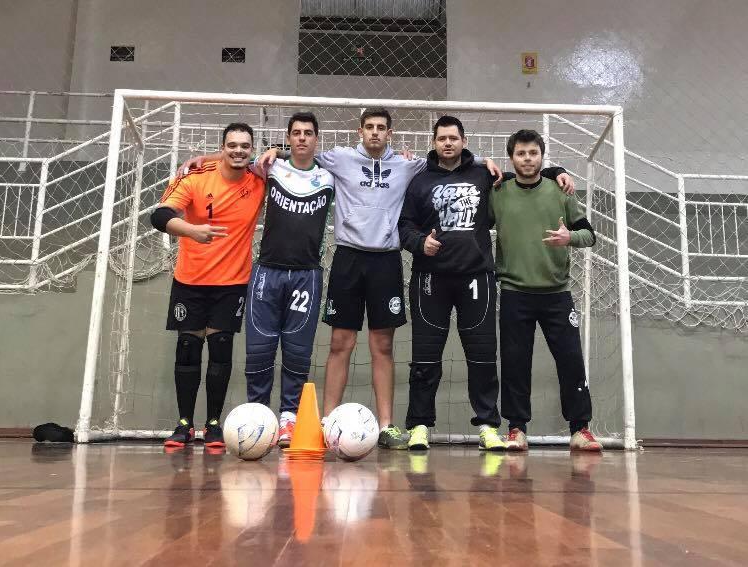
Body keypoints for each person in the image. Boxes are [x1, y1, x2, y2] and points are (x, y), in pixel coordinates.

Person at [258, 108, 509, 449]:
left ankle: (387, 425)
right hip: (348, 258)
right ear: (359, 131)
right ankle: (328, 421)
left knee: (383, 346)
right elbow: (304, 151)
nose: (375, 133)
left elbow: (448, 156)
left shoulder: (409, 165)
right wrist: (277, 151)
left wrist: (483, 160)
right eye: (369, 127)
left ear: (390, 133)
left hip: (387, 262)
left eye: (381, 128)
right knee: (339, 343)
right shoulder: (341, 158)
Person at [398, 116, 573, 451]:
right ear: (434, 142)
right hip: (430, 279)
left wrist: (555, 170)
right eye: (442, 138)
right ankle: (419, 425)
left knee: (481, 356)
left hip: (476, 278)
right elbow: (405, 224)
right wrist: (419, 243)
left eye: (453, 138)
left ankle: (488, 426)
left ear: (464, 141)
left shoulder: (484, 175)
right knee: (424, 356)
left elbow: (525, 176)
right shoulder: (419, 181)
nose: (447, 143)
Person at [151, 122, 265, 448]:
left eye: (245, 145)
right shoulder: (196, 177)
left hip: (231, 282)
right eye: (232, 145)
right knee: (188, 349)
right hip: (191, 280)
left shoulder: (259, 180)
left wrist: (276, 151)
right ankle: (184, 424)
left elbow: (299, 156)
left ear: (252, 149)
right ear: (223, 146)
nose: (239, 150)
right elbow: (159, 216)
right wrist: (190, 230)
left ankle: (213, 425)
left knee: (220, 350)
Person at [489, 129, 601, 452]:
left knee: (571, 361)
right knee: (514, 363)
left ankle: (580, 429)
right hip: (514, 292)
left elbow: (589, 235)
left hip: (556, 294)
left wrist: (570, 239)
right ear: (512, 158)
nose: (527, 159)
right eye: (521, 154)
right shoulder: (499, 190)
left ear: (542, 156)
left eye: (533, 153)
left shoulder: (560, 189)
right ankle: (516, 430)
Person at [243, 112, 334, 447]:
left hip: (307, 274)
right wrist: (199, 159)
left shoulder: (329, 176)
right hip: (267, 269)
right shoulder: (271, 167)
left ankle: (288, 419)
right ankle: (258, 415)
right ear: (288, 138)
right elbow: (234, 157)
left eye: (308, 133)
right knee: (259, 348)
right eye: (295, 133)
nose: (301, 138)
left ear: (316, 139)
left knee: (297, 350)